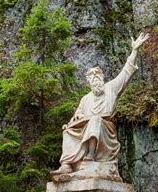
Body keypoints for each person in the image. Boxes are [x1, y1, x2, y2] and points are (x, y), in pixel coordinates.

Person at [51, 32, 149, 177]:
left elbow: (126, 72)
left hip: (105, 127)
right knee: (67, 130)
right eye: (92, 78)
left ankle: (90, 156)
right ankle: (66, 165)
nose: (95, 79)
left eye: (97, 76)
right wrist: (74, 120)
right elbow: (78, 114)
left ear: (102, 78)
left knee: (95, 120)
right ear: (89, 83)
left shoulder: (111, 88)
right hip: (87, 125)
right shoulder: (85, 98)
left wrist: (134, 50)